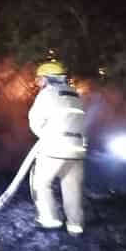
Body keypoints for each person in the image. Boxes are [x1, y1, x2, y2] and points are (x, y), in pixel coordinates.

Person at [28, 61, 87, 236]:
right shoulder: (75, 94)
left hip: (55, 148)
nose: (38, 83)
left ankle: (49, 219)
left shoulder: (47, 94)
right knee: (72, 188)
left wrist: (45, 135)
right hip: (78, 150)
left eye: (40, 79)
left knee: (40, 182)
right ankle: (75, 226)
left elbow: (35, 121)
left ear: (48, 79)